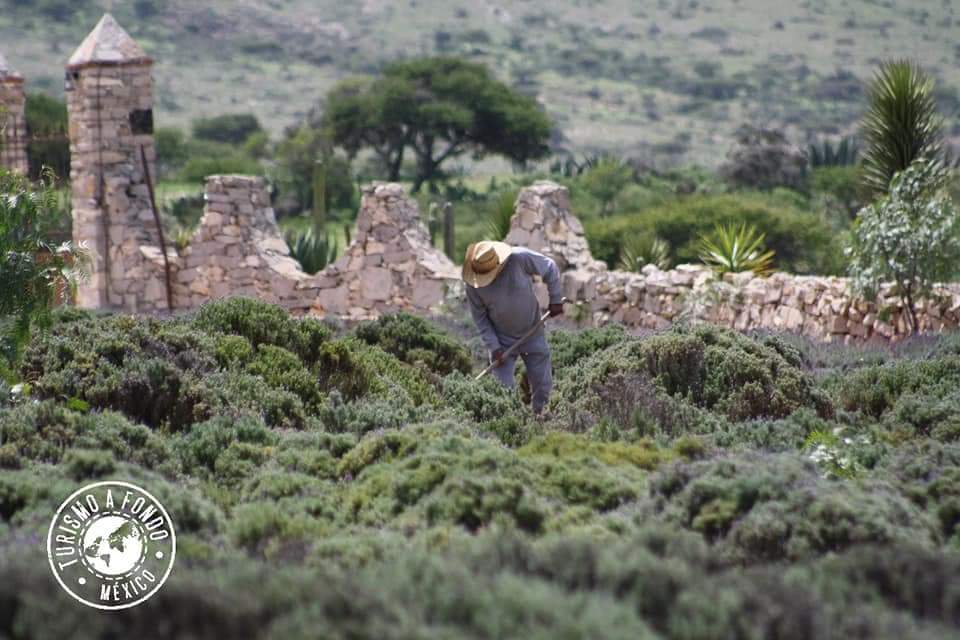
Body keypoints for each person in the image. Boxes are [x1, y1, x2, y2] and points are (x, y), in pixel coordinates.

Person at [463, 241, 563, 414]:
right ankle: (511, 423)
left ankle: (541, 418)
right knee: (503, 392)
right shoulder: (473, 285)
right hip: (501, 341)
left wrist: (555, 299)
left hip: (533, 331)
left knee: (543, 385)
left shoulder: (518, 258)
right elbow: (481, 319)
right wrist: (494, 347)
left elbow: (550, 267)